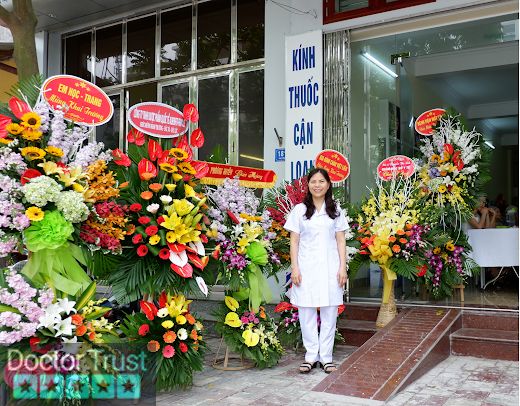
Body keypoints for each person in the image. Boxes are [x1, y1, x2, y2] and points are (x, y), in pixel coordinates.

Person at [284, 168, 348, 374]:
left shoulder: (336, 210)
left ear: (328, 184)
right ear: (308, 185)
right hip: (306, 269)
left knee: (330, 313)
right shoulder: (299, 210)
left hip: (330, 269)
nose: (317, 185)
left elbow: (341, 240)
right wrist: (295, 268)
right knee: (306, 312)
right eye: (313, 181)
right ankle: (311, 357)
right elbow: (294, 241)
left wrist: (342, 268)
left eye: (322, 181)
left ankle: (326, 358)